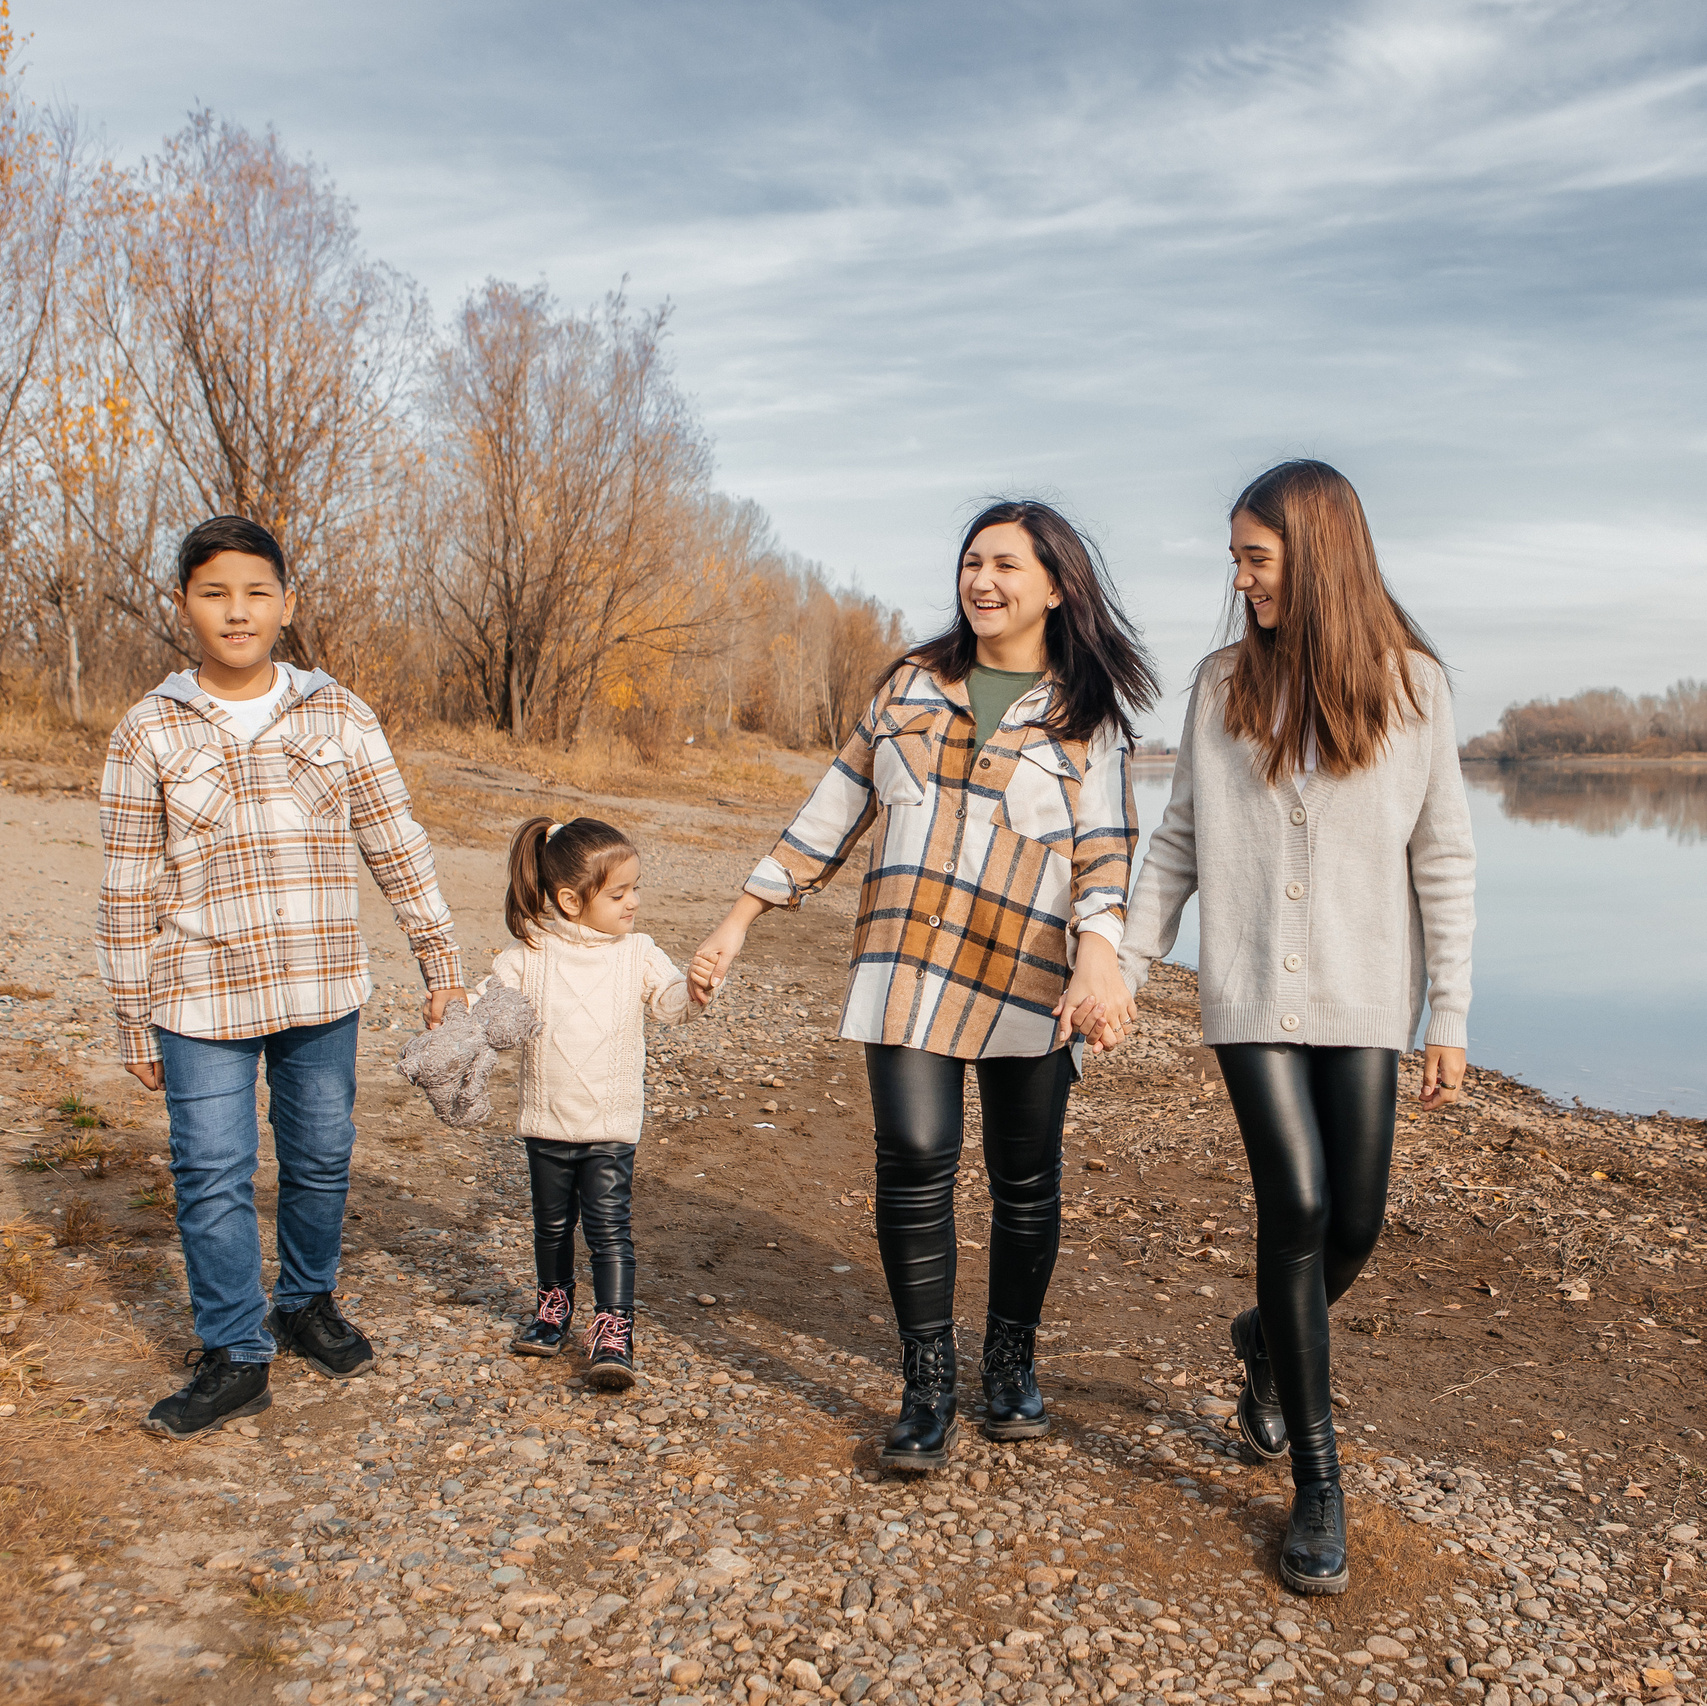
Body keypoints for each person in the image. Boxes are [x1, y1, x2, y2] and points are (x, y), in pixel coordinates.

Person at [691, 499, 1158, 1469]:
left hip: (1030, 968)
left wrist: (1101, 954)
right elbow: (836, 803)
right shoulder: (910, 683)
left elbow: (1105, 849)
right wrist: (743, 915)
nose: (982, 580)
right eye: (971, 561)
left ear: (1056, 585)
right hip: (907, 958)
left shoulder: (1085, 714)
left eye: (1005, 565)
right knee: (913, 1152)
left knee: (1026, 1181)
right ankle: (927, 1379)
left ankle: (1011, 1360)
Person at [1115, 460, 1475, 1593]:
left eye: (1254, 557)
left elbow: (1446, 858)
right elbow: (1172, 841)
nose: (1239, 578)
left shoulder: (1414, 688)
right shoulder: (1224, 684)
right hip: (1250, 994)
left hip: (1368, 995)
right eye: (1236, 557)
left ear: (1315, 554)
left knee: (1356, 1221)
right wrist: (1125, 964)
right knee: (1300, 1204)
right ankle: (1318, 1484)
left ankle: (1269, 1341)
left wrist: (1451, 1015)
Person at [98, 515, 468, 1440]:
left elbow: (396, 844)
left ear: (287, 605)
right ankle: (234, 1353)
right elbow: (125, 886)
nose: (237, 612)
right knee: (211, 1172)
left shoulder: (337, 715)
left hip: (318, 989)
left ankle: (305, 1302)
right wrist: (131, 1019)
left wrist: (440, 966)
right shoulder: (147, 731)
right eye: (215, 592)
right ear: (184, 604)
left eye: (257, 593)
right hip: (197, 994)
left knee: (318, 1158)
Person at [474, 815, 709, 1391]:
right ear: (571, 900)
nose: (634, 903)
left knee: (609, 1229)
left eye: (636, 889)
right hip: (547, 1121)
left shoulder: (639, 953)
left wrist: (698, 989)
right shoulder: (530, 953)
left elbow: (670, 1002)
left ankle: (614, 1328)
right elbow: (489, 1005)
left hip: (610, 1123)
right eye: (619, 893)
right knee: (551, 1226)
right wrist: (456, 1015)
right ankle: (553, 1309)